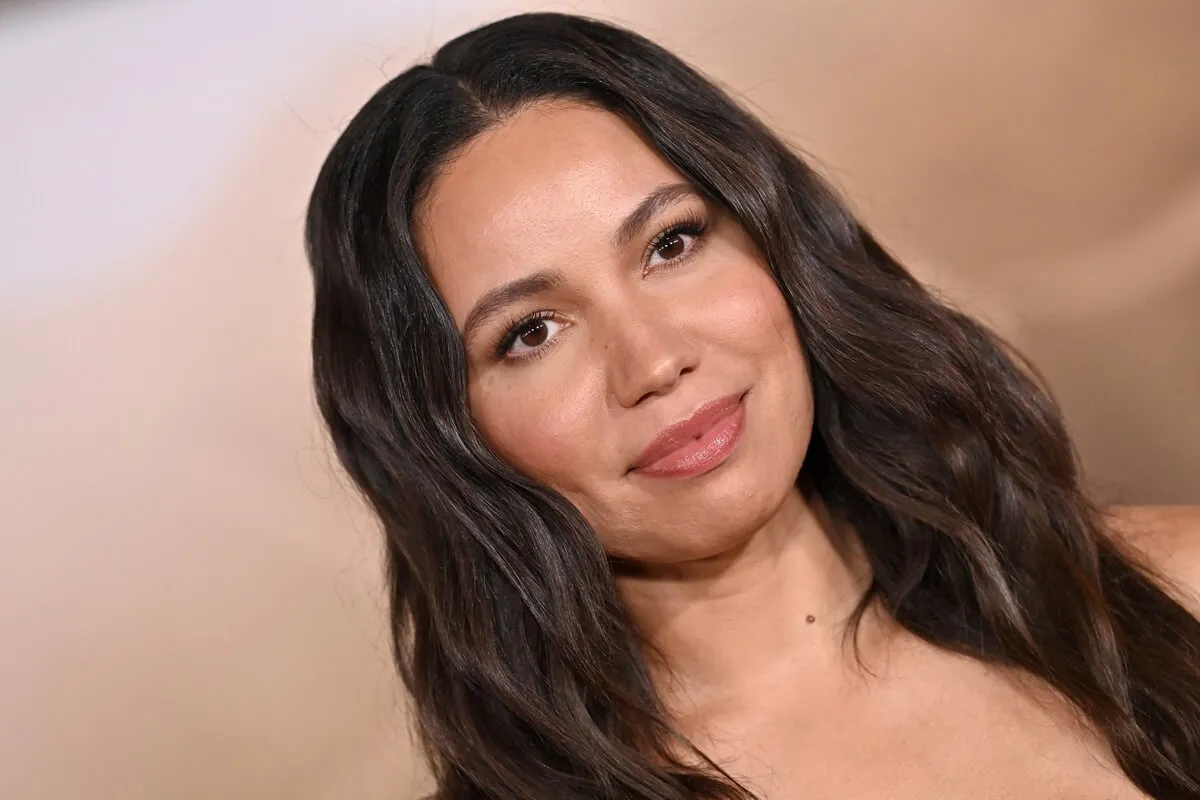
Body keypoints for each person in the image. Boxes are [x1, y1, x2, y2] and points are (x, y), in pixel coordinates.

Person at [303, 12, 1200, 799]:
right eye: (532, 331)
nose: (654, 360)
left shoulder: (1178, 586)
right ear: (441, 436)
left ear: (779, 242)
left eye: (672, 242)